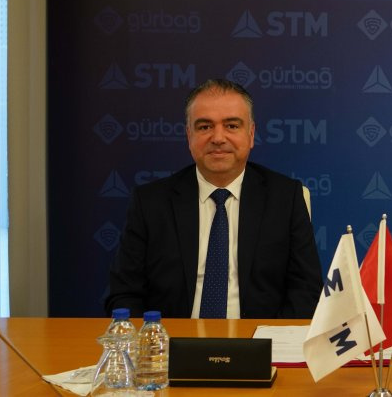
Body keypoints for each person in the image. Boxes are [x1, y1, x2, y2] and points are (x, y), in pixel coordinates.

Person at [106, 79, 322, 319]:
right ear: (189, 136)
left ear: (251, 134)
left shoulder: (286, 198)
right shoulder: (150, 202)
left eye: (231, 125)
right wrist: (152, 338)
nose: (218, 137)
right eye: (205, 127)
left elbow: (306, 291)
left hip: (259, 339)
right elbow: (124, 293)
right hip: (172, 339)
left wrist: (274, 339)